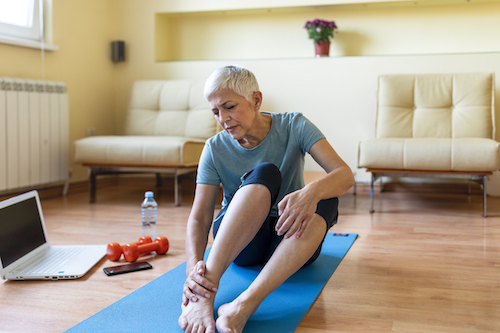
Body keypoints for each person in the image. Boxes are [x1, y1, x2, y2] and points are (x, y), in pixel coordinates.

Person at [178, 65, 355, 333]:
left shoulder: (294, 125)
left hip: (288, 241)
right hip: (241, 244)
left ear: (256, 100)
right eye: (216, 111)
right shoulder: (214, 148)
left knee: (327, 198)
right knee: (265, 173)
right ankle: (202, 297)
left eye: (229, 107)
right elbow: (200, 216)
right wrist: (194, 273)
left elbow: (344, 175)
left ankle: (243, 306)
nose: (223, 118)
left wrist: (310, 192)